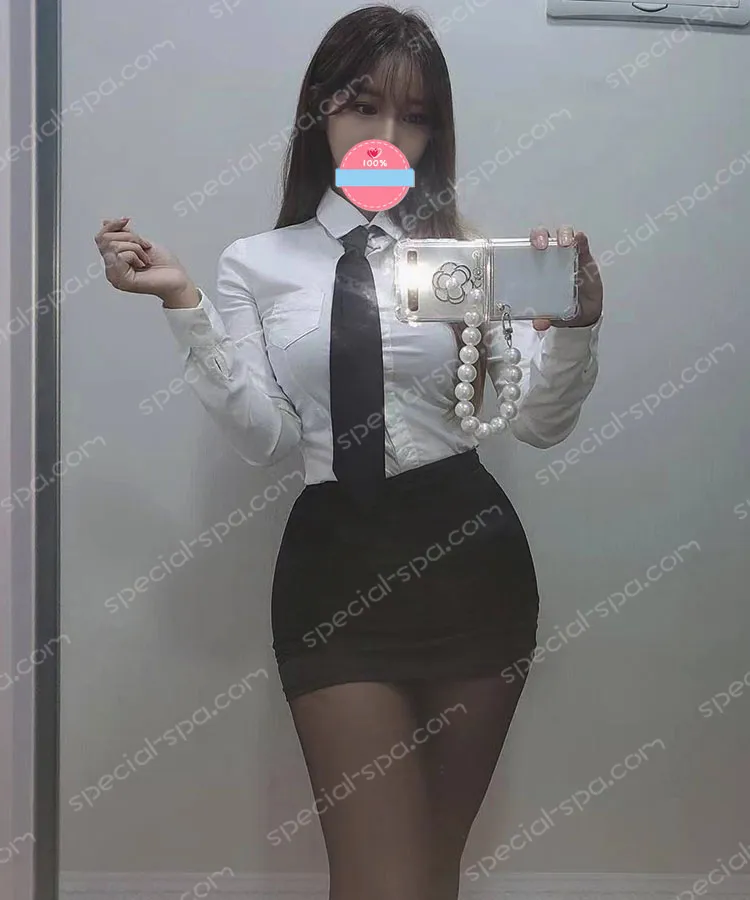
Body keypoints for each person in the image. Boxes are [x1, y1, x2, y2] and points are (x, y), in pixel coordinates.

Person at [93, 6, 603, 899]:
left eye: (415, 116)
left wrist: (575, 328)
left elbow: (536, 424)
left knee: (432, 873)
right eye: (364, 105)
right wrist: (183, 306)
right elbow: (267, 438)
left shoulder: (464, 259)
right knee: (375, 878)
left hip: (470, 560)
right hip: (334, 569)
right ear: (320, 112)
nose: (387, 136)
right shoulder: (258, 263)